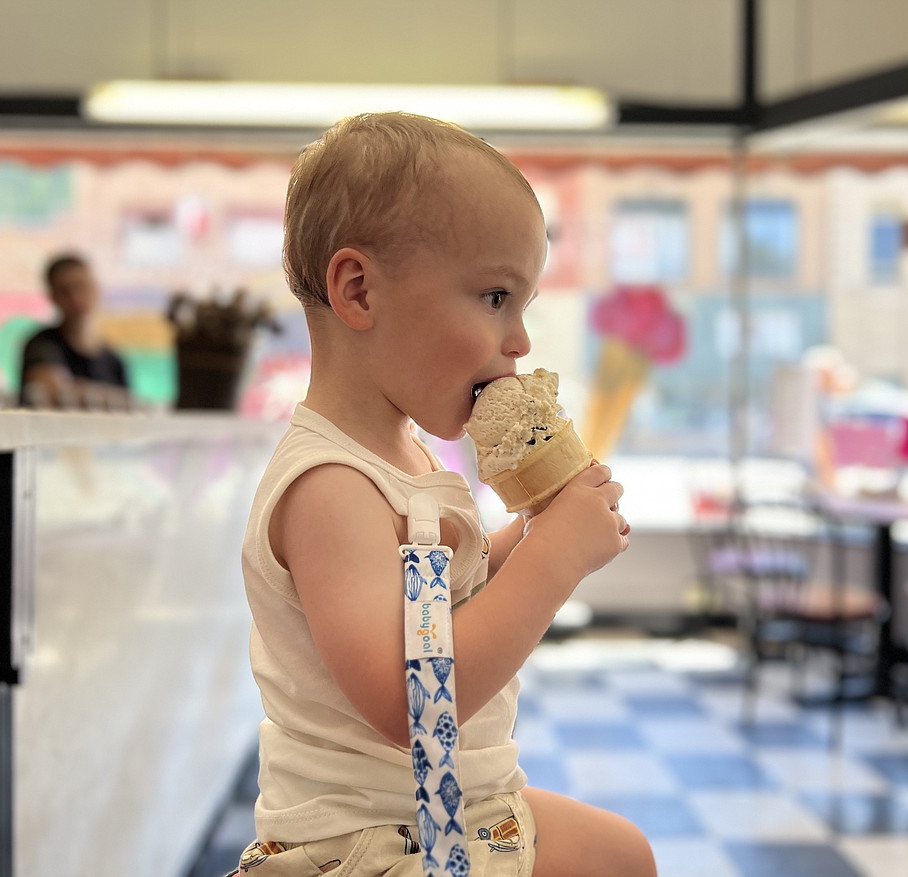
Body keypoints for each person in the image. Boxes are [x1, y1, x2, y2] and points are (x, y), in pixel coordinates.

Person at [238, 112, 656, 876]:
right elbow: (411, 705)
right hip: (369, 842)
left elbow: (428, 598)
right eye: (496, 296)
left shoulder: (402, 449)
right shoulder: (329, 486)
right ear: (359, 290)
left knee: (621, 855)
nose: (520, 340)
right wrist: (552, 560)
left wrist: (526, 536)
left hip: (450, 808)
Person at [19, 253, 130, 408]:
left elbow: (129, 404)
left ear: (96, 288)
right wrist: (111, 397)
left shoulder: (113, 359)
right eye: (65, 291)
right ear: (53, 297)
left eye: (81, 286)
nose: (75, 298)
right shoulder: (42, 345)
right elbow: (50, 391)